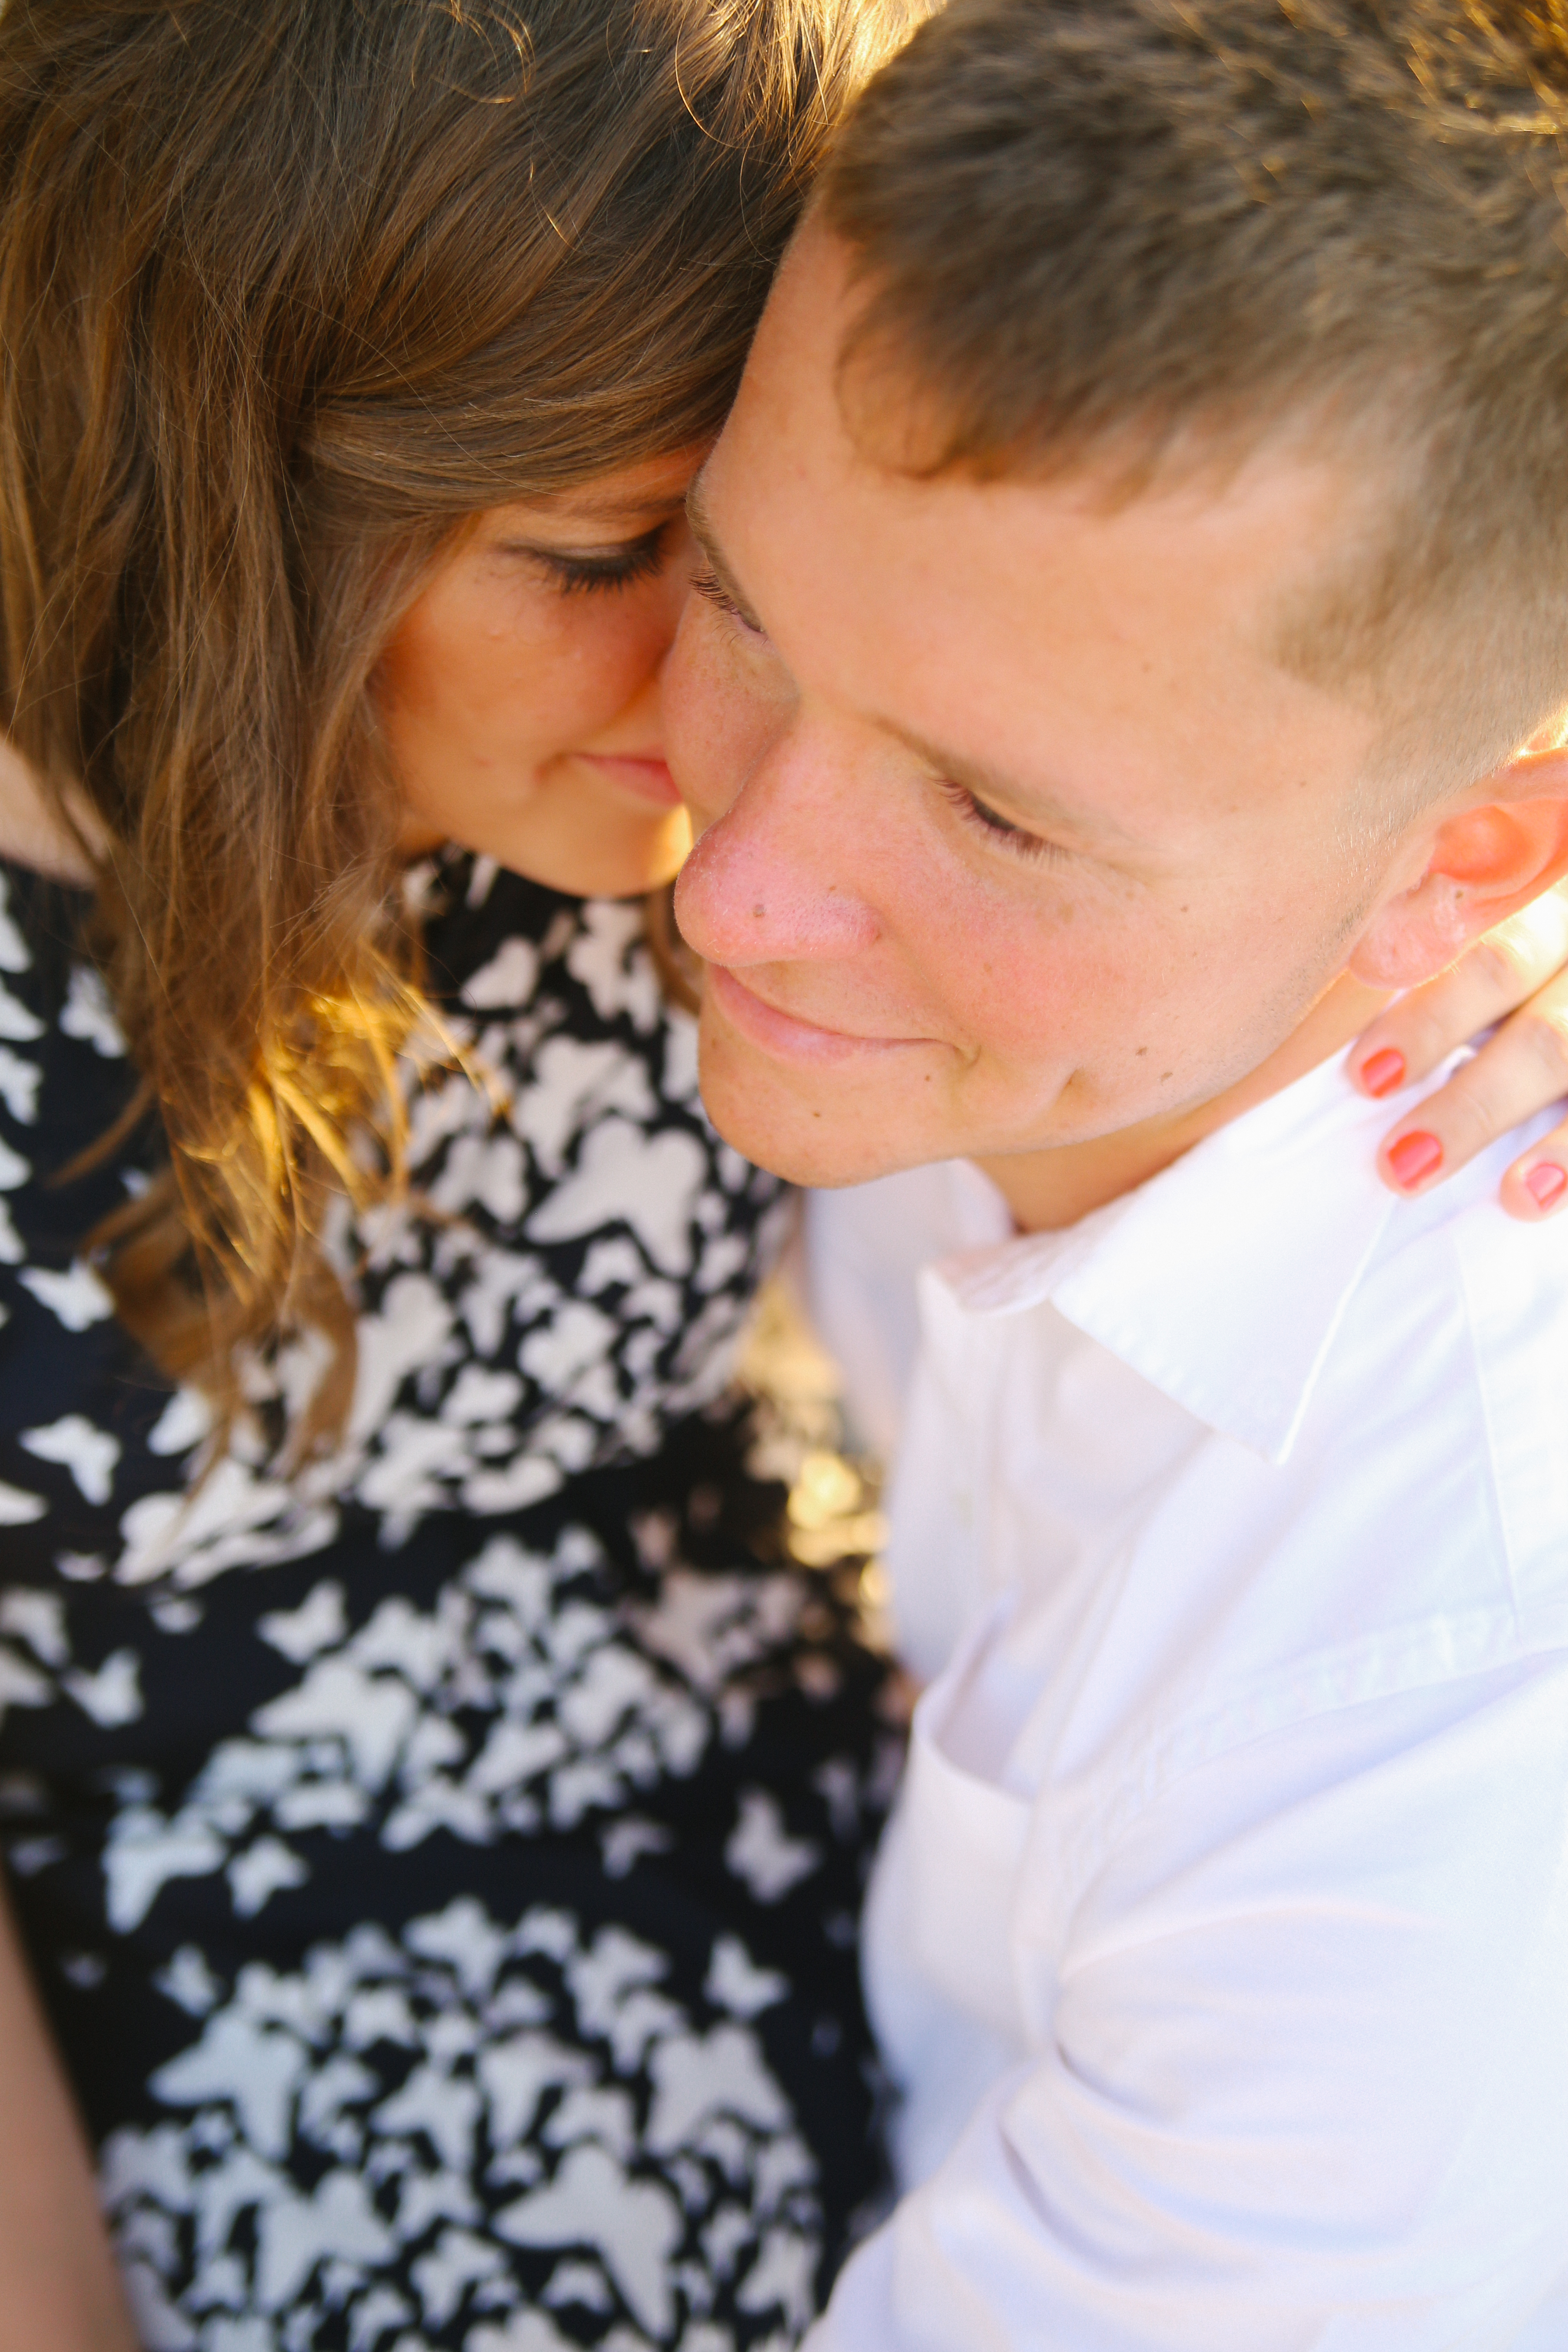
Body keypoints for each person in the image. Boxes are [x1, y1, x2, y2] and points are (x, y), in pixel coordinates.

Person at [0, 4, 920, 2348]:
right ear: (240, 482)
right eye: (609, 549)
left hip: (936, 1991)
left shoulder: (724, 764)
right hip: (270, 2142)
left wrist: (1447, 978)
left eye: (747, 555)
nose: (726, 683)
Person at [661, 1, 1568, 2341]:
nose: (731, 891)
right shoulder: (1050, 991)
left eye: (996, 814)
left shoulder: (1444, 1751)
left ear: (1457, 862)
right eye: (729, 609)